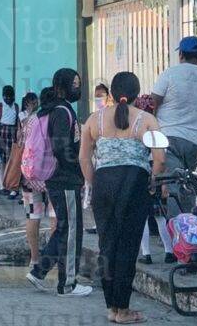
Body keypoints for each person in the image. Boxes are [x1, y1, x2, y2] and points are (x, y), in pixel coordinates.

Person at [80, 72, 166, 322]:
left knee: (107, 246)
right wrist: (152, 180)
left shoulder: (93, 120)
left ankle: (111, 308)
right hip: (134, 184)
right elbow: (159, 159)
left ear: (112, 93)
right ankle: (123, 309)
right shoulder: (147, 119)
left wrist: (94, 182)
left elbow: (84, 158)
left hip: (104, 184)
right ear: (138, 94)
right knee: (128, 247)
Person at [27, 68, 92, 297]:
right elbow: (62, 147)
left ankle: (39, 271)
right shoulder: (62, 111)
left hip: (57, 178)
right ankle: (68, 284)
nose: (78, 88)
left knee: (63, 228)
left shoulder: (52, 109)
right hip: (65, 179)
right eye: (75, 84)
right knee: (72, 231)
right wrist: (79, 169)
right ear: (63, 85)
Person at [150, 36, 197, 213]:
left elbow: (152, 104)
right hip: (196, 142)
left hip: (169, 138)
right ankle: (187, 227)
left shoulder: (170, 73)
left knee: (174, 187)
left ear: (181, 54)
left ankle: (179, 233)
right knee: (187, 185)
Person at [18, 90, 56, 275]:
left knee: (32, 217)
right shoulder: (58, 118)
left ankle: (34, 259)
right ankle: (51, 261)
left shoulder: (30, 119)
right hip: (52, 177)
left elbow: (21, 143)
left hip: (29, 176)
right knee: (55, 217)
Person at [0, 85, 20, 197]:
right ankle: (2, 186)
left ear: (13, 96)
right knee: (0, 160)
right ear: (3, 96)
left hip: (12, 134)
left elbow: (18, 122)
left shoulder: (16, 107)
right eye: (6, 97)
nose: (8, 99)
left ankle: (10, 184)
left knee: (11, 160)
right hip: (0, 134)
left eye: (10, 97)